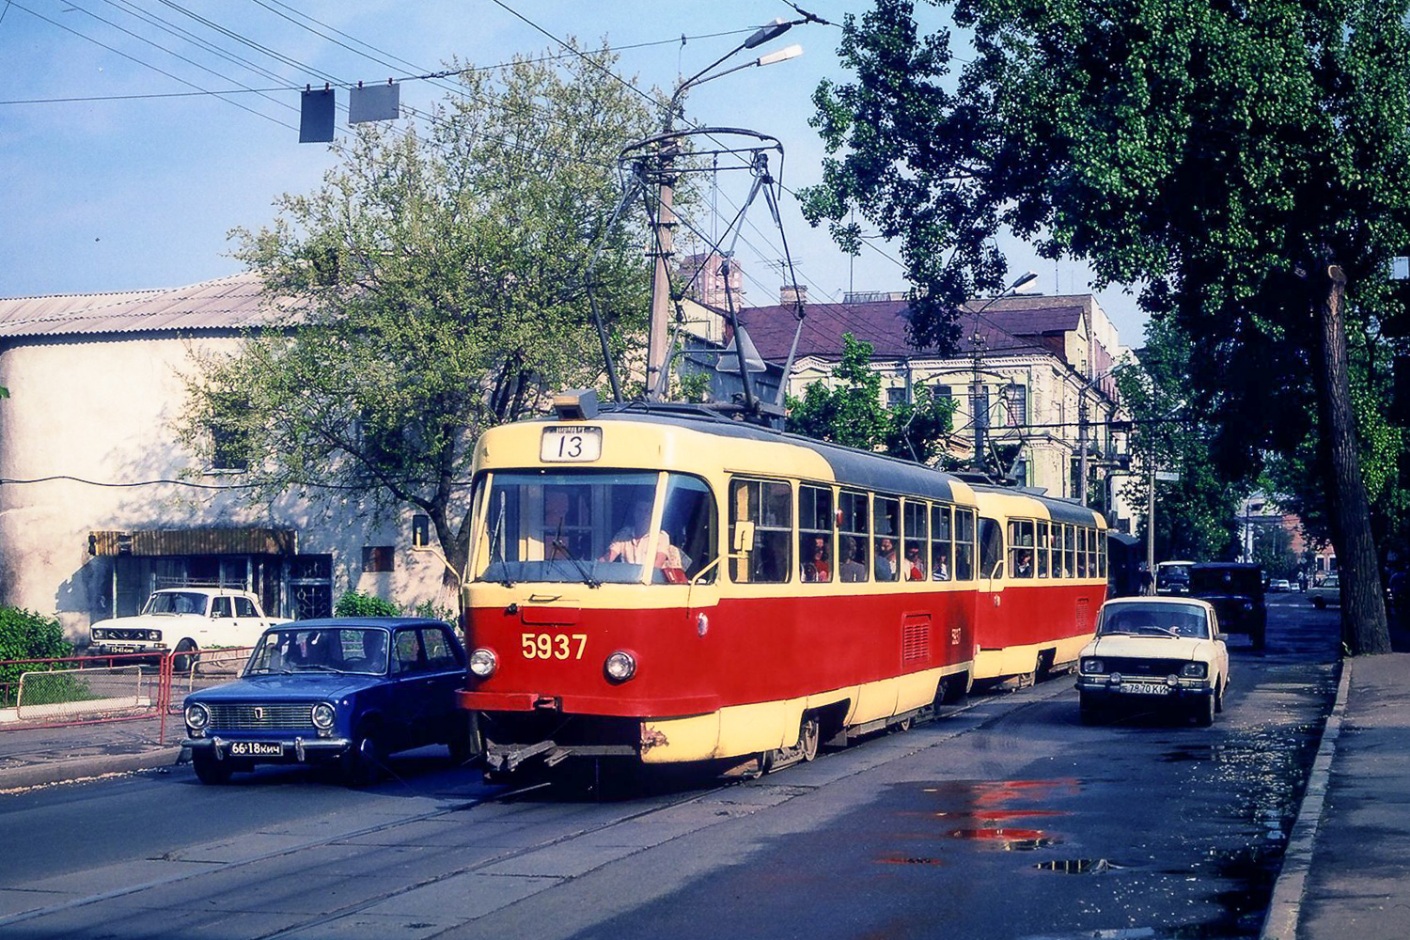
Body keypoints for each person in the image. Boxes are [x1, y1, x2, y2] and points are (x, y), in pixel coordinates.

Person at [601, 500, 680, 569]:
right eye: (640, 510)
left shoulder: (661, 537)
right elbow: (608, 557)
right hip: (627, 582)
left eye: (647, 511)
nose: (643, 515)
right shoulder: (623, 535)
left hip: (650, 583)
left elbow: (658, 563)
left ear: (652, 515)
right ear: (634, 513)